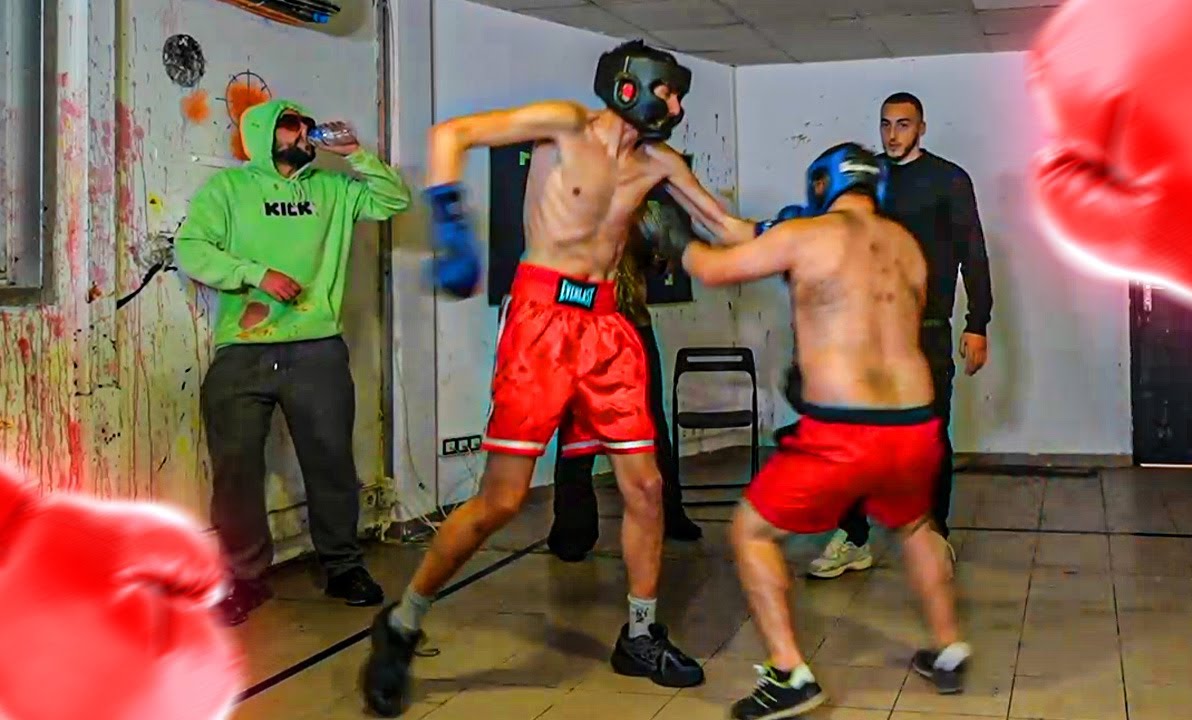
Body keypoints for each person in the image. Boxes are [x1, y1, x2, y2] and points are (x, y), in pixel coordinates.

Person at [361, 39, 763, 717]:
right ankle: (402, 622)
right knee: (502, 502)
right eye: (670, 92)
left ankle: (639, 634)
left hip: (610, 330)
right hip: (541, 322)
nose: (679, 105)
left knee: (646, 487)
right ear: (634, 84)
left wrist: (813, 230)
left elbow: (727, 225)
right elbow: (450, 134)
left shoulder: (659, 162)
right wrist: (452, 229)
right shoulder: (563, 122)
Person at [672, 142, 971, 719]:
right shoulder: (906, 246)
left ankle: (789, 674)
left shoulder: (808, 236)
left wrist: (674, 242)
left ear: (819, 186)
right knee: (914, 526)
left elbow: (714, 268)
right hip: (915, 424)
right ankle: (949, 647)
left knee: (751, 533)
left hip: (845, 430)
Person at [175, 99, 412, 625]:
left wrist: (357, 156)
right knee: (236, 469)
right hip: (243, 349)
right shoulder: (229, 190)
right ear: (262, 133)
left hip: (317, 347)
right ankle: (242, 578)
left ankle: (343, 566)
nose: (304, 131)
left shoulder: (333, 189)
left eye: (307, 123)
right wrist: (255, 274)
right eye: (291, 124)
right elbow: (190, 248)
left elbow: (395, 201)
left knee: (329, 462)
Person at [805, 92, 994, 580]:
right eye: (886, 124)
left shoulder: (949, 180)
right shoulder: (867, 183)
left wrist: (978, 323)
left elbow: (973, 253)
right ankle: (854, 537)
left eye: (904, 125)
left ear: (922, 128)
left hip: (926, 333)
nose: (893, 134)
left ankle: (935, 536)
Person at [547, 202, 703, 563]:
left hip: (633, 325)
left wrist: (663, 250)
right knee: (575, 430)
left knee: (652, 425)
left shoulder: (640, 208)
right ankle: (572, 531)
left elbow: (662, 261)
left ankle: (670, 514)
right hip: (582, 327)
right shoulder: (571, 205)